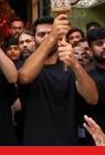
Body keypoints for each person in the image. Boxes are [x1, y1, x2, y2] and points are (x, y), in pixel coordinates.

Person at [18, 15, 98, 145]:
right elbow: (25, 77)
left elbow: (92, 98)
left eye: (50, 33)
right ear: (33, 40)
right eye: (41, 34)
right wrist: (52, 36)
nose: (46, 37)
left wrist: (74, 63)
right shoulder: (27, 65)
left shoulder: (70, 66)